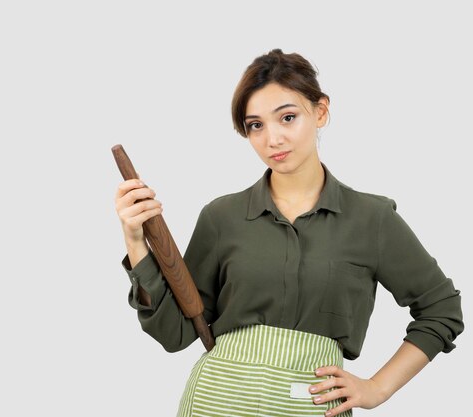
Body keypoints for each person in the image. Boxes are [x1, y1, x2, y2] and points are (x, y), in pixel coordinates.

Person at [113, 48, 464, 417]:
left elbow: (441, 309)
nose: (273, 139)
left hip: (312, 407)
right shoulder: (222, 217)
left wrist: (377, 387)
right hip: (214, 404)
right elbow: (175, 334)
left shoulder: (371, 219)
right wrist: (136, 241)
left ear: (321, 112)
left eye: (288, 117)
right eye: (256, 125)